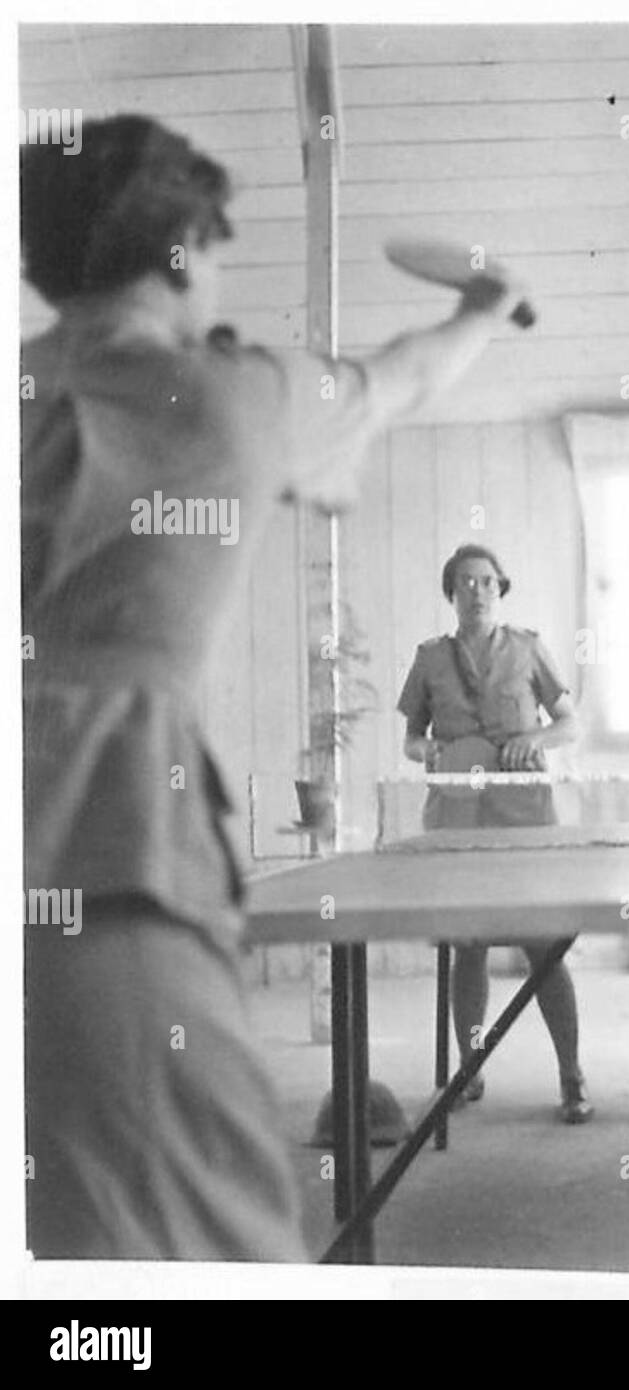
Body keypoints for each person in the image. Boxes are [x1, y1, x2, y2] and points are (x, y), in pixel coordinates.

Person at [21, 114, 528, 1259]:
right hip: (102, 867)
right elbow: (402, 378)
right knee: (206, 1237)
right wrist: (486, 309)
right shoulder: (226, 396)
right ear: (187, 247)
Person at [398, 544, 593, 1124]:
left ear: (500, 589)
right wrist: (428, 750)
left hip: (524, 811)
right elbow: (410, 739)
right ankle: (470, 1067)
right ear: (451, 593)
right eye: (464, 583)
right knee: (470, 947)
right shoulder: (430, 658)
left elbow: (570, 724)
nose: (476, 592)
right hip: (457, 815)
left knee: (545, 948)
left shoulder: (529, 648)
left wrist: (535, 740)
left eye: (486, 582)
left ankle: (572, 1074)